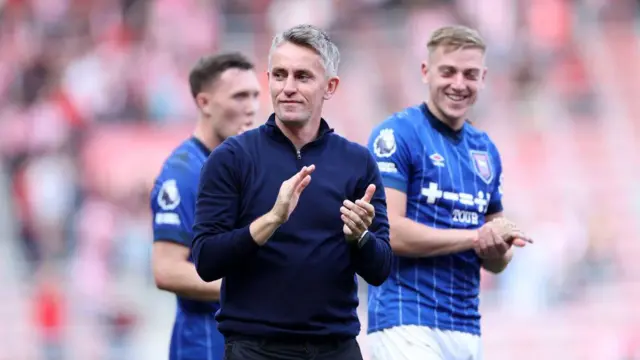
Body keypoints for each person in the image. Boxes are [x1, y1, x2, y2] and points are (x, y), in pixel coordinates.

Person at [191, 24, 393, 360]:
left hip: (336, 348)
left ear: (330, 86)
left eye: (302, 76)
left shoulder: (357, 162)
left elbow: (381, 268)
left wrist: (360, 238)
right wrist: (272, 220)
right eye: (280, 75)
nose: (288, 88)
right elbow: (207, 261)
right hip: (255, 349)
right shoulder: (231, 158)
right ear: (267, 78)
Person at [365, 25, 532, 360]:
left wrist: (497, 245)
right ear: (426, 72)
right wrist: (474, 238)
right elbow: (390, 233)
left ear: (483, 78)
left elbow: (496, 260)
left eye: (470, 74)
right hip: (404, 320)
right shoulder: (396, 135)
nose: (459, 84)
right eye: (448, 72)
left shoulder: (486, 151)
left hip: (466, 326)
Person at [150, 52, 260, 360]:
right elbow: (167, 269)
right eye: (239, 96)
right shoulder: (183, 173)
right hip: (205, 344)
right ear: (204, 103)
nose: (251, 108)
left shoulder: (240, 166)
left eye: (254, 95)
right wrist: (255, 288)